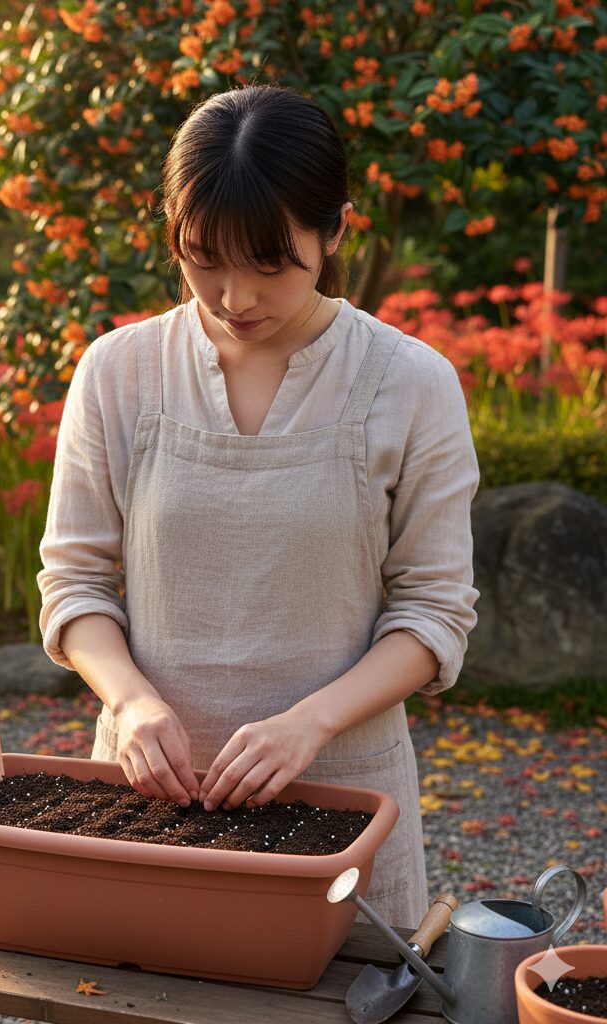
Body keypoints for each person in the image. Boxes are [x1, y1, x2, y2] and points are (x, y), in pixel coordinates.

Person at [36, 83, 479, 929]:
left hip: (343, 803)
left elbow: (433, 614)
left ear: (336, 230)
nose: (234, 296)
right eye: (203, 257)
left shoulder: (411, 383)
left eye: (269, 262)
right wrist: (129, 701)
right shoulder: (118, 372)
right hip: (144, 803)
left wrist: (307, 726)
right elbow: (76, 584)